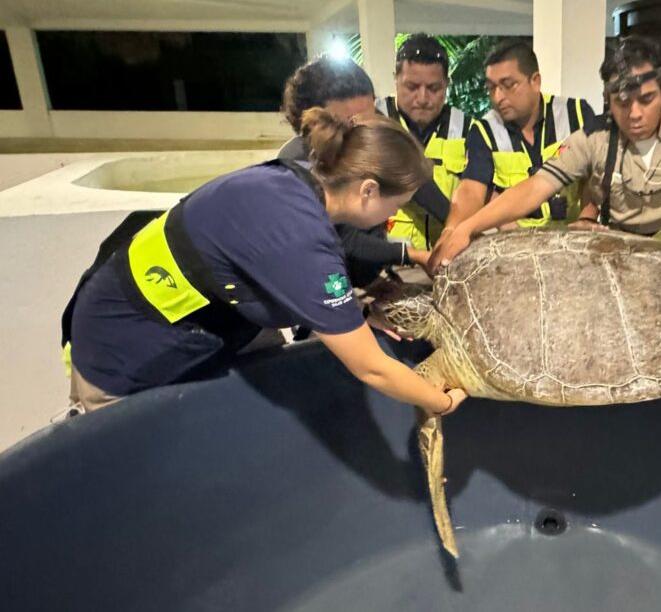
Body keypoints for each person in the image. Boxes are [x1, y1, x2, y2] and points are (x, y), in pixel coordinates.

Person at [61, 109, 468, 416]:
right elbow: (372, 369)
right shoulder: (300, 236)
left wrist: (352, 315)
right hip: (124, 351)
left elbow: (297, 266)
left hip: (173, 312)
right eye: (395, 205)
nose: (391, 218)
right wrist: (441, 401)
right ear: (367, 190)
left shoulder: (295, 181)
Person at [430, 36, 661, 330]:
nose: (635, 114)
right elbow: (536, 187)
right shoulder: (594, 138)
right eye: (621, 103)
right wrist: (466, 227)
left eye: (647, 99)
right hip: (617, 262)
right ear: (608, 100)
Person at [280, 55, 436, 280]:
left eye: (371, 115)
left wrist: (459, 227)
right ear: (316, 121)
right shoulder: (295, 169)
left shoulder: (366, 132)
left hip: (368, 274)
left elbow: (411, 180)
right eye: (351, 121)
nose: (366, 129)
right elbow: (344, 240)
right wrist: (411, 255)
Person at [438, 40, 595, 238]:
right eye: (491, 87)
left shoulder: (576, 115)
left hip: (573, 238)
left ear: (535, 81)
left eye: (508, 85)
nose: (498, 97)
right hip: (515, 243)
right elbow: (472, 189)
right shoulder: (485, 131)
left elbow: (595, 176)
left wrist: (587, 218)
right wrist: (452, 231)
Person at [375, 34, 469, 250]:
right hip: (387, 262)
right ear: (395, 79)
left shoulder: (469, 129)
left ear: (447, 84)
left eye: (434, 88)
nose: (423, 98)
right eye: (412, 87)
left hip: (451, 259)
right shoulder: (375, 119)